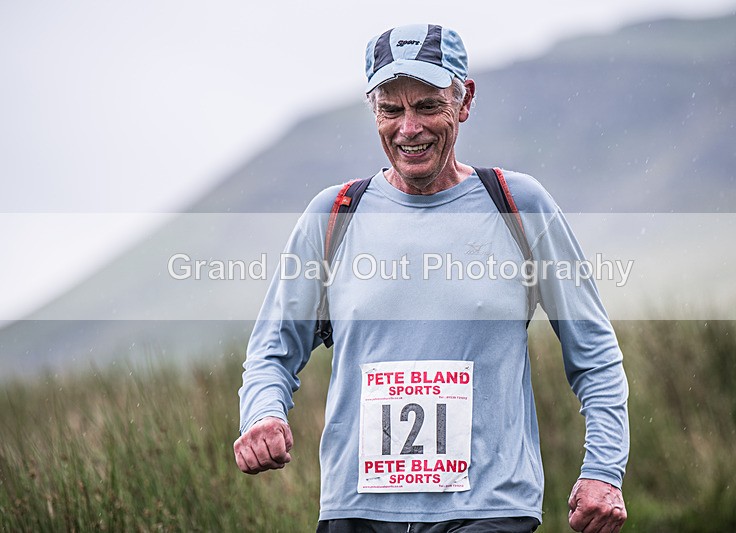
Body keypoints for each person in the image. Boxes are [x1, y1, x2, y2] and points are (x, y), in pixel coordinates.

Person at [235, 24, 629, 533]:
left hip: (488, 508)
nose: (408, 128)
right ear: (372, 110)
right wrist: (263, 415)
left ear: (464, 101)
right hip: (357, 510)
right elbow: (272, 347)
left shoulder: (517, 205)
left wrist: (602, 469)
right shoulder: (335, 215)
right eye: (391, 110)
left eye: (426, 106)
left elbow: (594, 353)